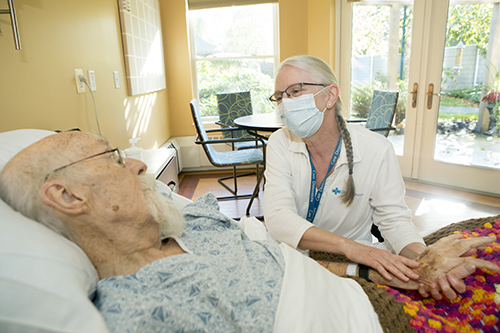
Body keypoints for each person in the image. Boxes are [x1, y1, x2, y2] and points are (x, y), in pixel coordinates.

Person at [0, 131, 497, 332]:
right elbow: (280, 223)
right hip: (380, 323)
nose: (134, 163)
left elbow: (278, 257)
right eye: (110, 157)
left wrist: (385, 269)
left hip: (367, 288)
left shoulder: (187, 217)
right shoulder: (147, 311)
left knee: (480, 241)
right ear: (68, 197)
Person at [264, 55, 430, 285]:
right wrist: (349, 246)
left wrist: (425, 262)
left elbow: (395, 222)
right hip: (290, 259)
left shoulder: (376, 149)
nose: (286, 103)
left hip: (349, 269)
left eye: (295, 91)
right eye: (280, 97)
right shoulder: (279, 143)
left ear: (330, 95)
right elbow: (278, 217)